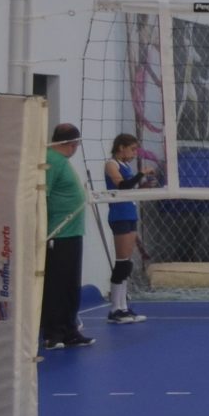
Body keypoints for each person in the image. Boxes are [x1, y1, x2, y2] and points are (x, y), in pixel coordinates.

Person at [42, 122, 91, 350]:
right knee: (57, 287)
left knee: (71, 285)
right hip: (57, 234)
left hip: (71, 232)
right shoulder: (51, 160)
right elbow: (42, 197)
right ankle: (53, 333)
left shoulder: (61, 161)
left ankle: (70, 330)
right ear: (73, 144)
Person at [102, 131, 155, 325]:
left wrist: (146, 186)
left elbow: (130, 190)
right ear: (121, 147)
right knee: (122, 262)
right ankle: (115, 309)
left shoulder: (125, 165)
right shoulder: (112, 164)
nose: (134, 153)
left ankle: (123, 307)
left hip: (130, 213)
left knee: (127, 263)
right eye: (132, 149)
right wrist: (142, 173)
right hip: (119, 215)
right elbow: (122, 186)